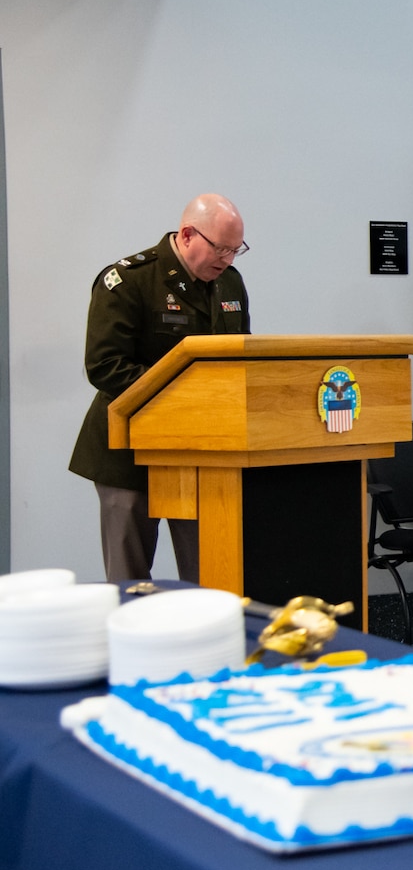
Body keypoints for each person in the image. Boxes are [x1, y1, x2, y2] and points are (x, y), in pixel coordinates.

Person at [69, 194, 251, 582]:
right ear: (187, 235)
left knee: (213, 575)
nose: (228, 260)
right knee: (130, 582)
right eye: (221, 248)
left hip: (202, 454)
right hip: (129, 453)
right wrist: (182, 398)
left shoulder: (230, 283)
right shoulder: (128, 281)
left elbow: (239, 357)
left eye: (236, 250)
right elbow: (105, 366)